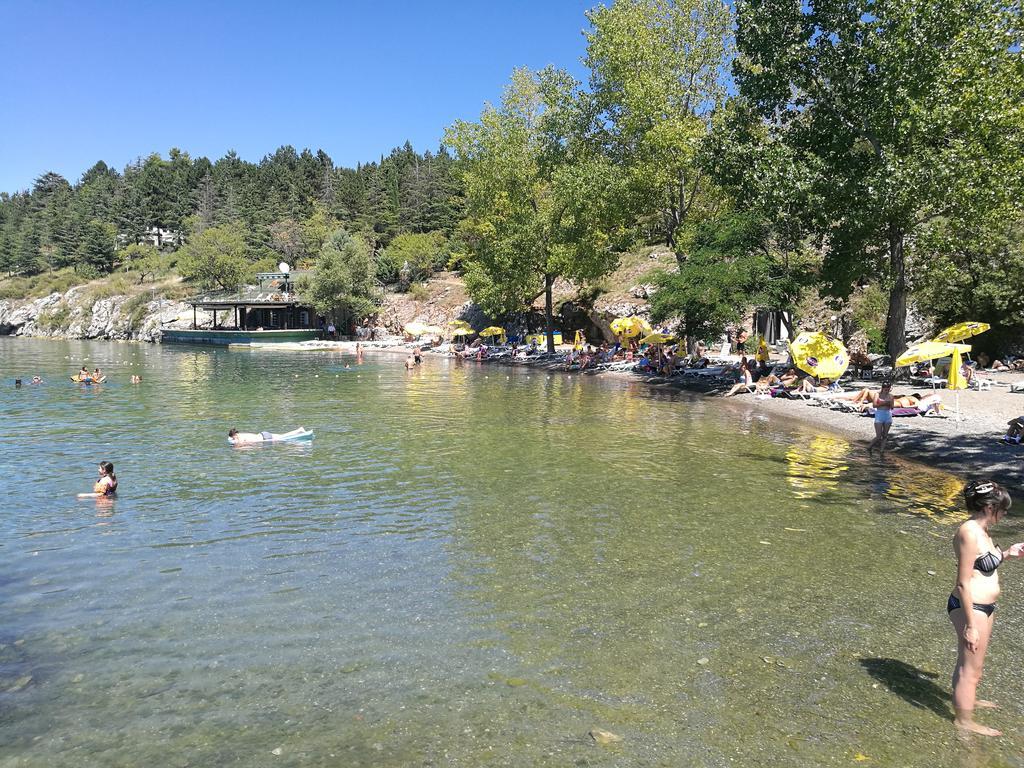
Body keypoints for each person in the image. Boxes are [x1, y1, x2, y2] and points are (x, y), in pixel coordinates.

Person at [948, 480, 1024, 736]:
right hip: (971, 607)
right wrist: (970, 625)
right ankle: (963, 722)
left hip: (984, 607)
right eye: (1003, 510)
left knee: (973, 666)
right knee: (969, 668)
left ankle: (967, 699)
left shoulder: (983, 530)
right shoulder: (969, 532)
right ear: (990, 507)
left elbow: (983, 564)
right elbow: (963, 582)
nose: (1004, 514)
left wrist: (1008, 554)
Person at [867, 381, 894, 457]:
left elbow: (892, 407)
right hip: (879, 415)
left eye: (888, 389)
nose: (887, 390)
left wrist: (889, 403)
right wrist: (884, 403)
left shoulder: (891, 396)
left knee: (885, 435)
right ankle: (869, 447)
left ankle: (882, 451)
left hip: (887, 415)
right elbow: (874, 405)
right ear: (882, 388)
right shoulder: (877, 395)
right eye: (885, 389)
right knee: (878, 436)